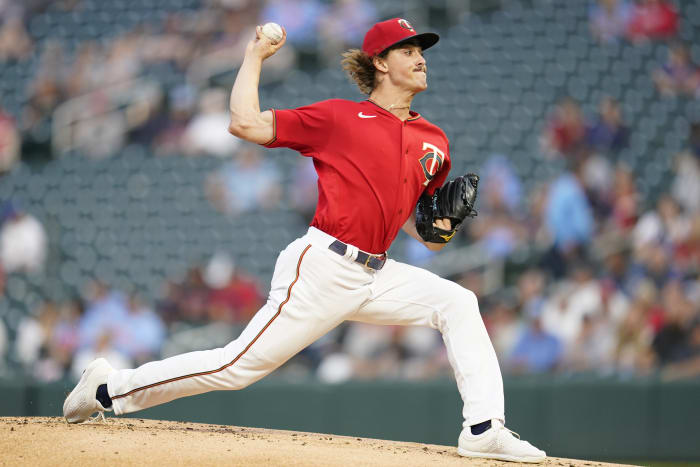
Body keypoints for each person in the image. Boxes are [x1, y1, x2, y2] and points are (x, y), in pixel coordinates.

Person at [63, 18, 546, 463]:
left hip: (376, 272)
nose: (421, 58)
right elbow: (244, 123)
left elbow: (422, 233)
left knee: (458, 302)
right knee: (236, 367)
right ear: (379, 62)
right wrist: (254, 55)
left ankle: (483, 429)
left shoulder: (434, 140)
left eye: (422, 49)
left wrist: (441, 228)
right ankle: (110, 388)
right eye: (408, 50)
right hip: (322, 266)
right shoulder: (338, 118)